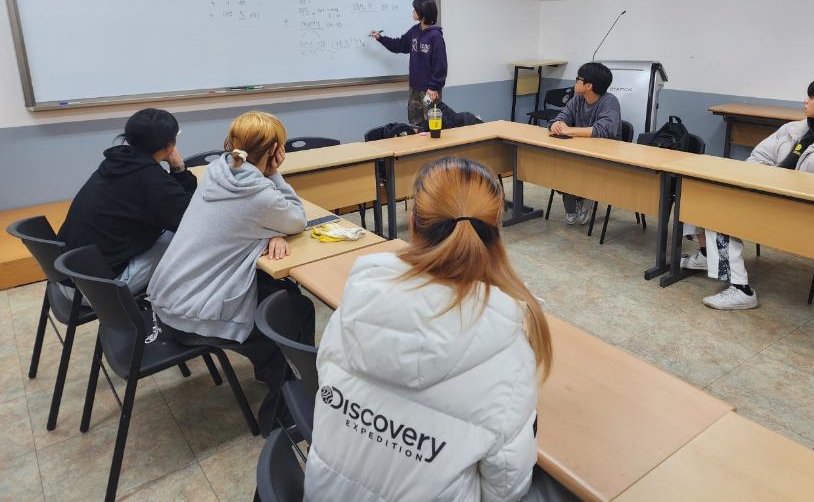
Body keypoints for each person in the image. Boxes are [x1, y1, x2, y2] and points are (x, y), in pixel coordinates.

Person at [304, 157, 577, 502]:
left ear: (413, 223)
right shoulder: (510, 353)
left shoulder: (351, 309)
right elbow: (506, 491)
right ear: (496, 229)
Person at [147, 111, 314, 435]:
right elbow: (297, 218)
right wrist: (275, 176)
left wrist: (269, 231)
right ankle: (282, 418)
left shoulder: (218, 170)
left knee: (283, 293)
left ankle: (271, 374)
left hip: (168, 299)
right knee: (296, 312)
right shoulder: (260, 196)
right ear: (275, 151)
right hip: (192, 314)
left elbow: (243, 220)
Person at [681, 77, 814, 311]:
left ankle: (741, 291)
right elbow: (759, 158)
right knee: (701, 195)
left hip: (808, 214)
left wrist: (775, 186)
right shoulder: (793, 130)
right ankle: (707, 254)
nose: (805, 101)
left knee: (720, 215)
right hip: (770, 198)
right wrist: (762, 187)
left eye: (811, 97)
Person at [58, 108, 195, 298]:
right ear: (169, 145)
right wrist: (178, 166)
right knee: (182, 238)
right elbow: (191, 217)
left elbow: (173, 201)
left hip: (66, 275)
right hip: (98, 291)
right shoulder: (149, 179)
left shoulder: (116, 162)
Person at [549, 61, 622, 225]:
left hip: (602, 157)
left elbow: (602, 130)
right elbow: (562, 116)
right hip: (578, 152)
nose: (575, 82)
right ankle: (573, 204)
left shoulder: (610, 102)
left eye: (578, 79)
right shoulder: (578, 99)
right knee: (557, 167)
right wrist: (556, 124)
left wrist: (569, 130)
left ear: (588, 86)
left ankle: (586, 199)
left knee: (581, 170)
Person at [370, 0, 447, 126]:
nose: (413, 12)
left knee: (431, 124)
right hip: (414, 88)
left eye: (415, 10)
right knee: (415, 123)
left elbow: (440, 64)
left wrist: (434, 86)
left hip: (429, 90)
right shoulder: (415, 31)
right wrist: (380, 38)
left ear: (423, 13)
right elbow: (399, 45)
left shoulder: (435, 36)